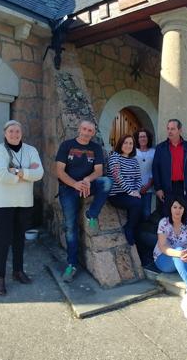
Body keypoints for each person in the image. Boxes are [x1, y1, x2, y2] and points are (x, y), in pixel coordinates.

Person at [0, 120, 44, 296]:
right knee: (3, 240)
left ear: (22, 133)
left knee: (19, 239)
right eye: (11, 131)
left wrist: (17, 171)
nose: (14, 134)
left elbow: (39, 173)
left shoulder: (31, 150)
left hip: (23, 201)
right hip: (3, 202)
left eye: (17, 131)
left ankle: (18, 271)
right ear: (5, 133)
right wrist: (26, 172)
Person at [56, 120, 112, 283]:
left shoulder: (95, 148)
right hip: (68, 188)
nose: (87, 132)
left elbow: (99, 171)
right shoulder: (66, 145)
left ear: (93, 133)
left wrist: (87, 180)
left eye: (90, 130)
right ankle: (72, 264)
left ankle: (91, 214)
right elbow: (59, 171)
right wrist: (75, 184)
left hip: (87, 185)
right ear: (79, 129)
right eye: (84, 129)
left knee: (107, 182)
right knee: (70, 227)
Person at [153, 196, 187, 320]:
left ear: (184, 209)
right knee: (178, 250)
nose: (177, 210)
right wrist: (181, 253)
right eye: (175, 207)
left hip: (183, 257)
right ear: (170, 208)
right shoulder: (164, 223)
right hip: (163, 259)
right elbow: (162, 247)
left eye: (180, 207)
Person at [152, 119, 187, 219]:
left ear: (180, 130)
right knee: (167, 218)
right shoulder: (161, 148)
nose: (169, 131)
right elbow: (155, 169)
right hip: (167, 188)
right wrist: (158, 188)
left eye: (173, 129)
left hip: (184, 188)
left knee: (186, 217)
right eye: (168, 129)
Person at [108, 134, 143, 245]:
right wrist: (130, 191)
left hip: (131, 194)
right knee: (137, 203)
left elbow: (138, 178)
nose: (128, 145)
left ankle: (136, 236)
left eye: (131, 143)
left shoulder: (134, 161)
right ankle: (128, 228)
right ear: (121, 144)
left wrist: (136, 190)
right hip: (117, 194)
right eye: (126, 143)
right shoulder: (115, 157)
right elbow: (117, 176)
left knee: (139, 207)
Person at [133, 128, 155, 221]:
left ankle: (144, 233)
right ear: (137, 139)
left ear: (148, 138)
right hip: (134, 188)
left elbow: (154, 170)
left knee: (146, 213)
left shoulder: (154, 152)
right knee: (135, 212)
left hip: (148, 187)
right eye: (140, 137)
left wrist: (148, 185)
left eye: (144, 136)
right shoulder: (133, 152)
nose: (142, 139)